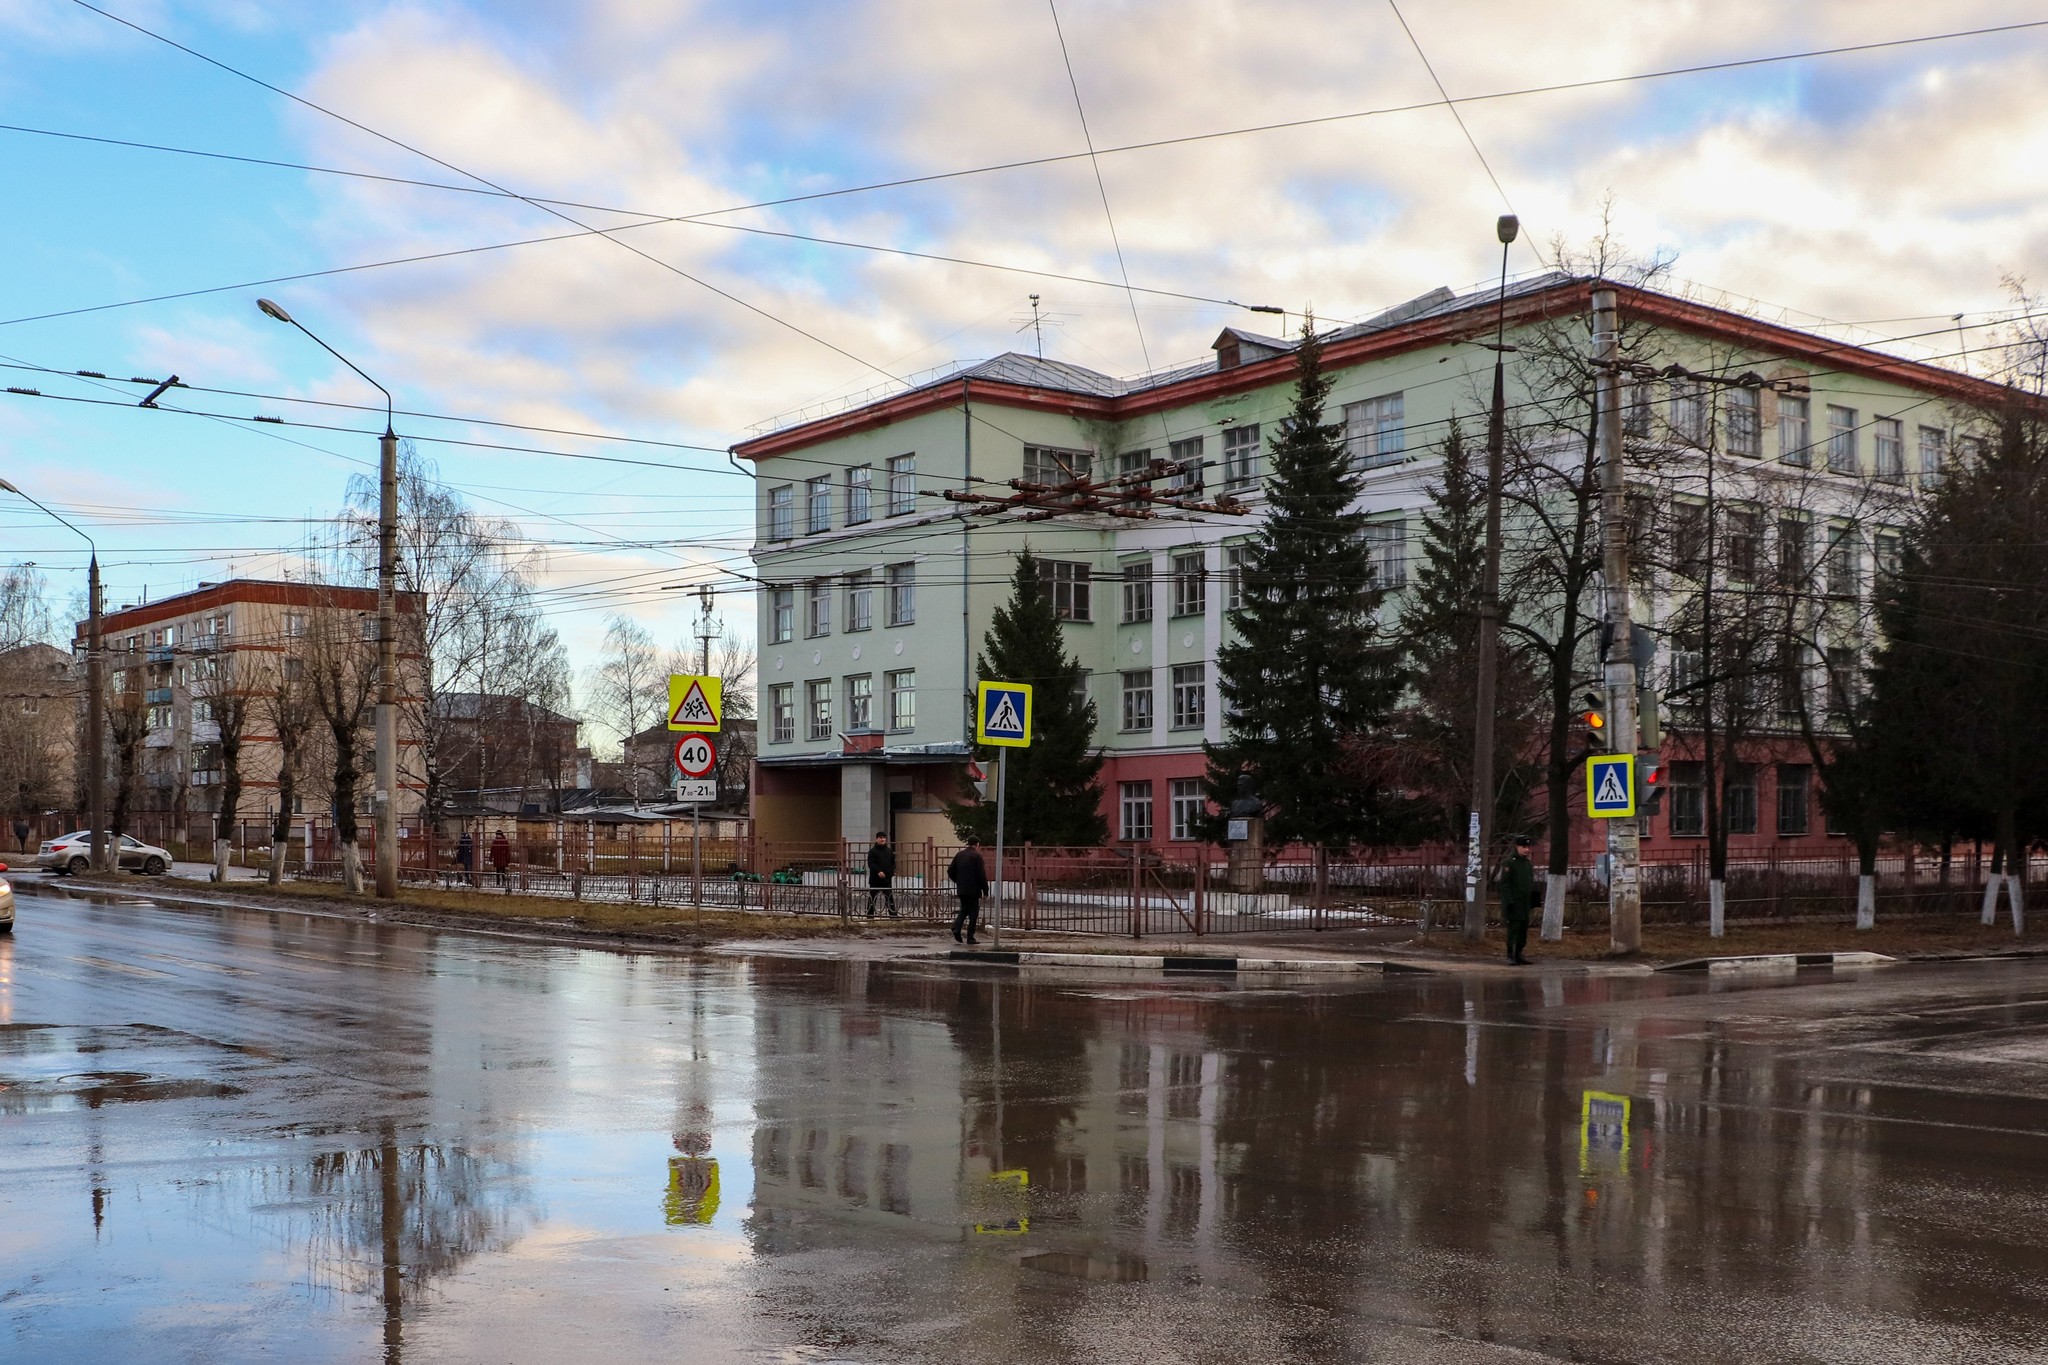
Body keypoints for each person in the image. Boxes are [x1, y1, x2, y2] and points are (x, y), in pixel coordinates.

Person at [1500, 834, 1538, 965]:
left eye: (1528, 847)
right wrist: (1509, 901)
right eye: (1524, 847)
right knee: (1514, 929)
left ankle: (1519, 953)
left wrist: (1534, 899)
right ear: (1517, 847)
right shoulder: (1509, 863)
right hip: (1514, 903)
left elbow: (1530, 882)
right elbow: (1505, 885)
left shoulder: (1527, 863)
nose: (1527, 849)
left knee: (1523, 929)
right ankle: (1510, 954)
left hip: (1525, 903)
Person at [946, 836, 989, 944]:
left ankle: (956, 928)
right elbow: (981, 875)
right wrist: (985, 890)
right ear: (977, 844)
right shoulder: (977, 856)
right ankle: (970, 937)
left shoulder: (959, 855)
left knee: (964, 909)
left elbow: (950, 870)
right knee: (973, 913)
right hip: (973, 890)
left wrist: (958, 881)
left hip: (962, 889)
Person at [865, 832, 897, 918]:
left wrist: (893, 870)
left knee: (889, 897)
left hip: (886, 879)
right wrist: (878, 871)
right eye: (880, 838)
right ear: (877, 839)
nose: (882, 839)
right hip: (875, 879)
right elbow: (871, 864)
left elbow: (893, 862)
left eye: (884, 838)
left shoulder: (889, 851)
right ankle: (870, 915)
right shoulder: (872, 851)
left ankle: (893, 915)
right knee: (872, 897)